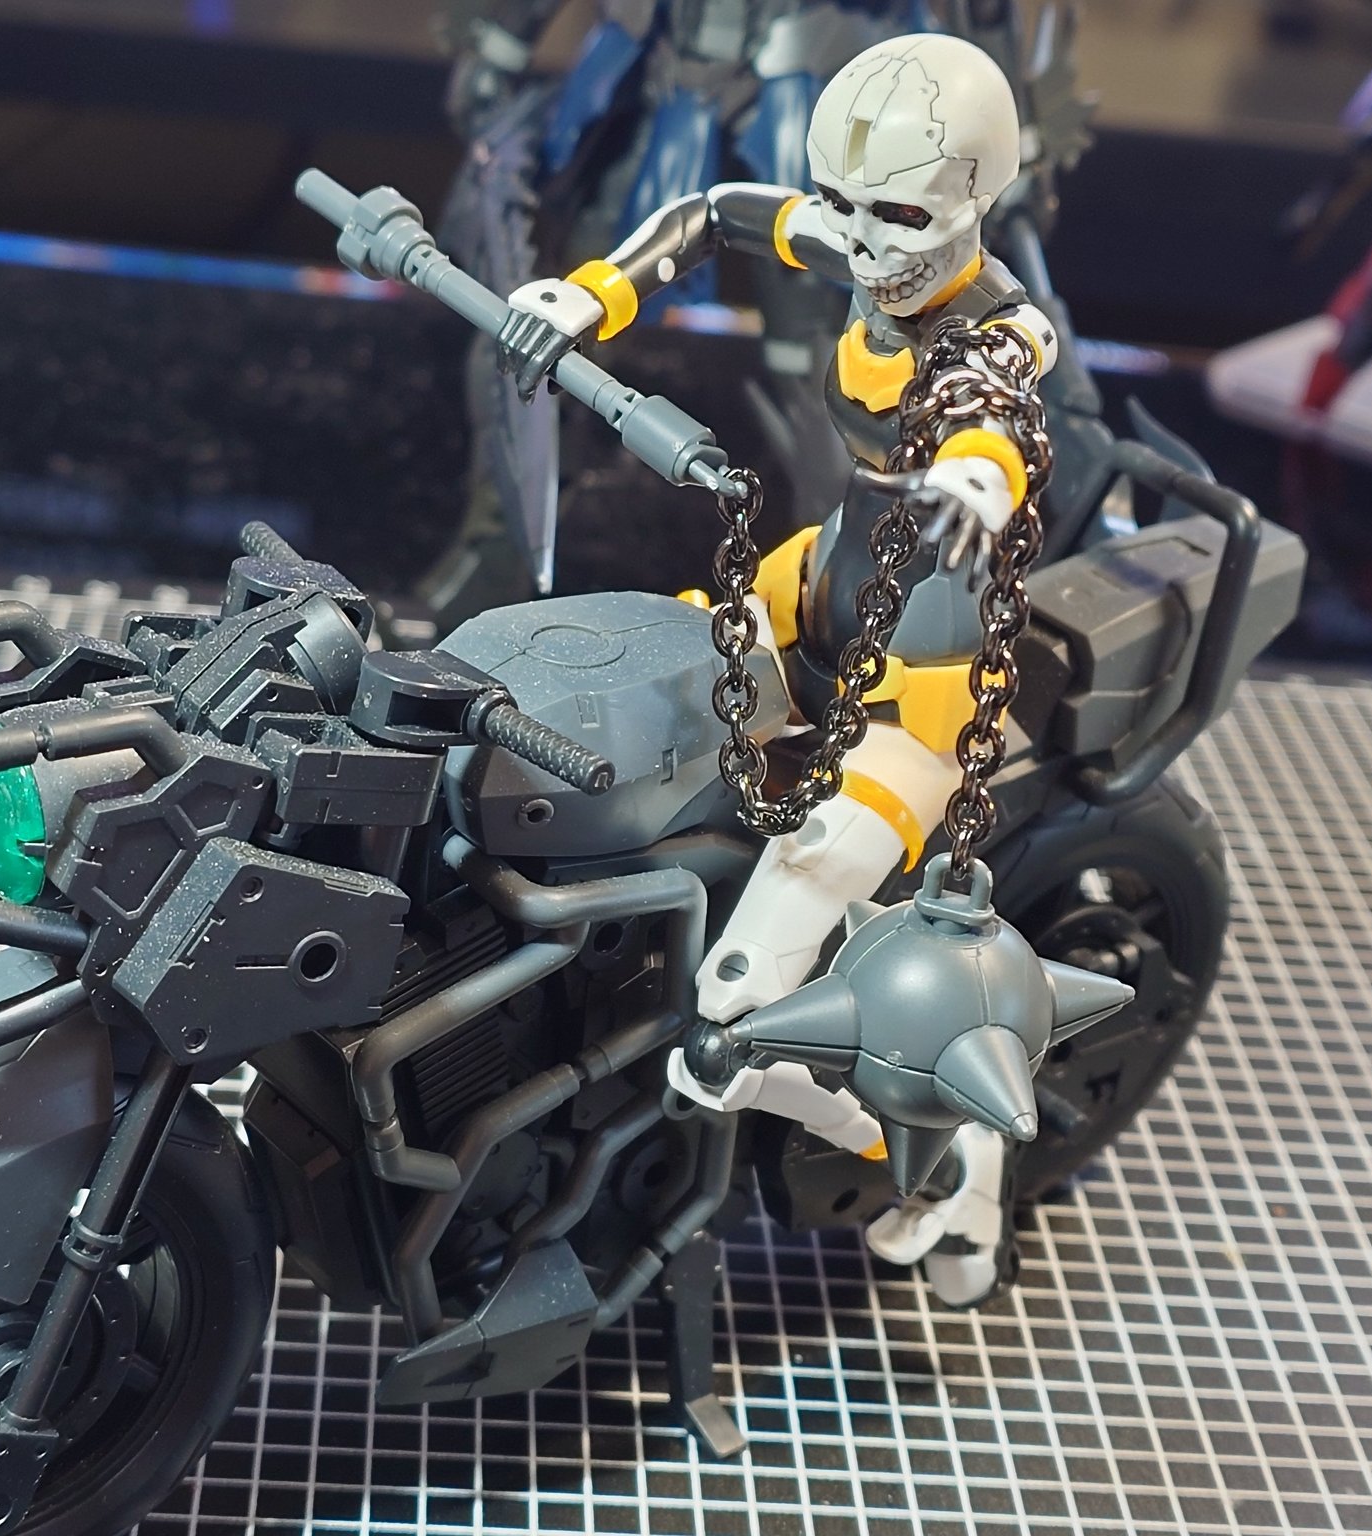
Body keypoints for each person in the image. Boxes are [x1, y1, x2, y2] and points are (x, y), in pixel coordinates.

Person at [496, 31, 1060, 1305]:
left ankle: (946, 1168)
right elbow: (712, 212)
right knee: (630, 697)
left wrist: (977, 480)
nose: (859, 243)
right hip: (812, 589)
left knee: (725, 1035)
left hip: (917, 690)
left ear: (974, 194)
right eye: (842, 206)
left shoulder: (996, 326)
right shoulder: (858, 241)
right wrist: (592, 294)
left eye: (897, 216)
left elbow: (998, 401)